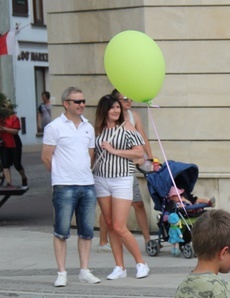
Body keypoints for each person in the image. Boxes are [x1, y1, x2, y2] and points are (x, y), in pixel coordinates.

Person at [41, 87, 101, 287]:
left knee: (86, 231)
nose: (81, 104)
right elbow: (46, 156)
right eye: (77, 101)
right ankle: (62, 272)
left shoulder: (88, 127)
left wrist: (82, 171)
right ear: (66, 104)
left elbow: (90, 154)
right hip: (64, 185)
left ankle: (84, 270)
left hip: (87, 184)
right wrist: (60, 175)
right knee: (61, 231)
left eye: (83, 101)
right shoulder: (55, 127)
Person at [92, 94, 150, 280]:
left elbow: (139, 151)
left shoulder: (126, 128)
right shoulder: (97, 131)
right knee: (109, 225)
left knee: (119, 225)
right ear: (104, 110)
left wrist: (114, 150)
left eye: (118, 107)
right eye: (112, 108)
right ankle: (119, 267)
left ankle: (141, 263)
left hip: (122, 179)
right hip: (101, 179)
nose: (116, 111)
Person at [0, 101, 28, 188]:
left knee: (17, 165)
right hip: (3, 143)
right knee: (5, 164)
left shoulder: (14, 118)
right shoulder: (1, 119)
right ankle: (9, 183)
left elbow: (15, 131)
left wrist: (4, 129)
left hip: (14, 144)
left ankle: (24, 177)